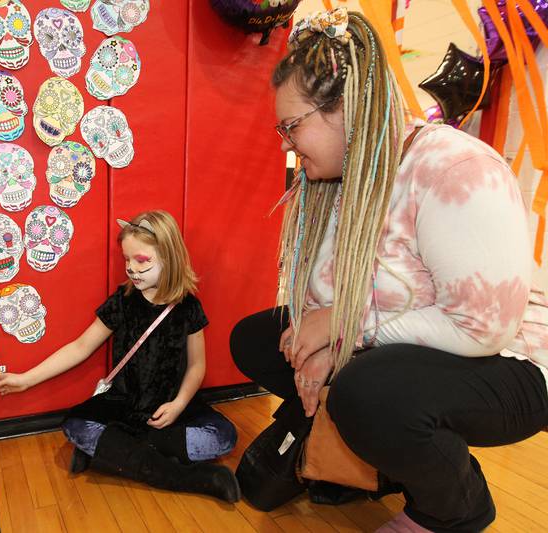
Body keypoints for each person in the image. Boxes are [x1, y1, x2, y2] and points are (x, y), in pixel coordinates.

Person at [230, 7, 548, 531]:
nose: (284, 141)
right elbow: (327, 292)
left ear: (346, 109)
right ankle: (382, 460)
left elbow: (479, 329)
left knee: (369, 393)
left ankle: (452, 507)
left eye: (291, 125)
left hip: (506, 361)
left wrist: (344, 330)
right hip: (397, 346)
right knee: (259, 339)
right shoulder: (337, 182)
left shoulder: (455, 170)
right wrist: (327, 334)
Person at [0, 210, 240, 502]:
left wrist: (179, 404)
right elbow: (81, 347)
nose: (131, 268)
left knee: (223, 436)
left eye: (141, 260)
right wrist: (26, 379)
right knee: (76, 426)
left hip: (169, 406)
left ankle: (115, 451)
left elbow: (197, 366)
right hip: (124, 404)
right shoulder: (123, 301)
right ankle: (189, 478)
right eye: (126, 260)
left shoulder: (188, 307)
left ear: (169, 257)